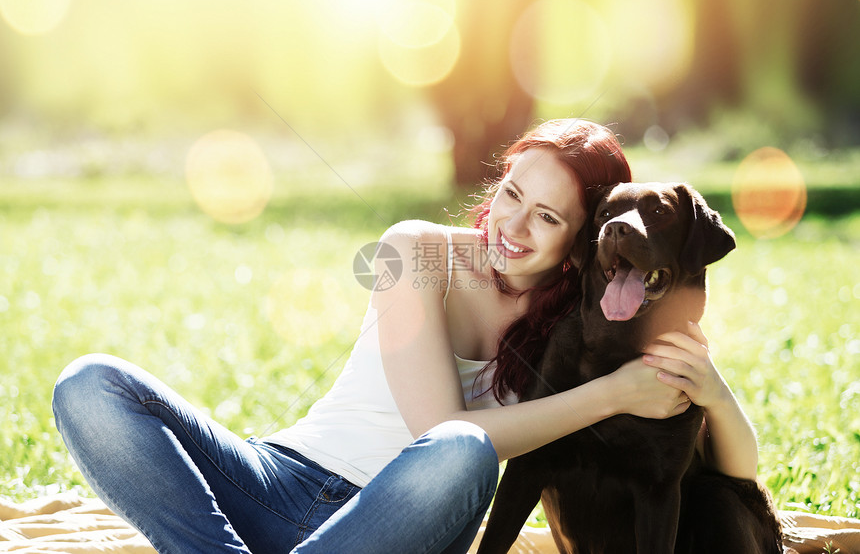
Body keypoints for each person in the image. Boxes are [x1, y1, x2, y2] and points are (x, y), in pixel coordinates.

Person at [51, 118, 758, 554]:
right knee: (90, 381)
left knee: (460, 453)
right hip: (278, 481)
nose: (510, 226)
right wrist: (613, 396)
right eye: (511, 193)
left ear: (581, 245)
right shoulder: (413, 249)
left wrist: (709, 389)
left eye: (546, 218)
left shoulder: (592, 326)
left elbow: (735, 466)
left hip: (410, 526)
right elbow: (434, 419)